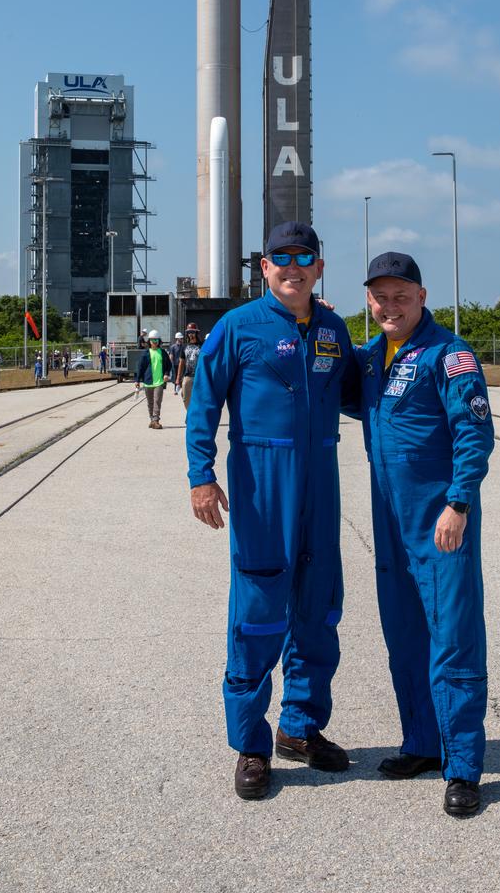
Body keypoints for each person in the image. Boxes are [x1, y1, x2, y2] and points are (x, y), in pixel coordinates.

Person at [187, 221, 355, 802]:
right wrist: (200, 476)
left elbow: (363, 392)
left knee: (317, 611)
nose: (292, 267)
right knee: (258, 614)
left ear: (319, 265)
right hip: (262, 485)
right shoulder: (237, 327)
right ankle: (251, 746)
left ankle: (300, 729)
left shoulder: (334, 327)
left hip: (321, 483)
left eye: (303, 257)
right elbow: (203, 402)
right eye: (280, 257)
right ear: (264, 267)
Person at [344, 252, 493, 818]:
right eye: (380, 296)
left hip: (440, 523)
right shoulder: (372, 360)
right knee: (405, 636)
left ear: (422, 296)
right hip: (389, 523)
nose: (390, 305)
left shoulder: (449, 355)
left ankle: (462, 767)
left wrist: (459, 502)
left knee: (453, 638)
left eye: (400, 295)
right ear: (370, 301)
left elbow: (474, 433)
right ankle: (423, 744)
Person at [135, 330, 172, 429]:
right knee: (150, 403)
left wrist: (166, 374)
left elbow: (169, 365)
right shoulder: (146, 353)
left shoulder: (163, 352)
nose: (154, 341)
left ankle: (156, 420)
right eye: (152, 340)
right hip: (148, 382)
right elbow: (140, 368)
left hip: (159, 382)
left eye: (156, 339)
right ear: (149, 341)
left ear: (159, 341)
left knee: (157, 401)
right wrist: (137, 380)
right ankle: (152, 420)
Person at [176, 323, 202, 411]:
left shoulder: (202, 346)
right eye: (189, 332)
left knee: (199, 399)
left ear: (196, 333)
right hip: (188, 376)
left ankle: (197, 417)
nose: (191, 334)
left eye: (193, 332)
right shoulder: (184, 346)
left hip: (199, 376)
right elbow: (181, 363)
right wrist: (178, 378)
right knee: (185, 397)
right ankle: (189, 415)